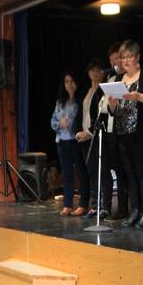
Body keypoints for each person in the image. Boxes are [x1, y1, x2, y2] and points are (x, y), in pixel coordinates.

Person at [108, 39, 143, 229]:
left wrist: (137, 96)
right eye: (123, 57)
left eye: (129, 56)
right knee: (130, 175)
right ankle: (135, 210)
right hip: (123, 134)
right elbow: (112, 111)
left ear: (138, 57)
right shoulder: (117, 79)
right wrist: (112, 104)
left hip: (141, 134)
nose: (126, 60)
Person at [76, 59, 113, 220]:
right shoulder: (87, 91)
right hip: (84, 136)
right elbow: (82, 113)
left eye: (98, 70)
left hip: (97, 136)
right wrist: (79, 131)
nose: (95, 73)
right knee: (91, 172)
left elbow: (102, 115)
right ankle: (95, 205)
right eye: (92, 70)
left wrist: (89, 132)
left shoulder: (103, 90)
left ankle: (105, 206)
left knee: (103, 171)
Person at [51, 71, 90, 216]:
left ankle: (83, 204)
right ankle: (67, 204)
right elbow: (53, 121)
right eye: (67, 81)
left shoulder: (81, 101)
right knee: (66, 174)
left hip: (76, 140)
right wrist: (59, 124)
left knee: (81, 172)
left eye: (72, 81)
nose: (69, 84)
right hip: (62, 141)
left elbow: (83, 119)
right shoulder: (61, 102)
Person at [103, 42, 129, 220]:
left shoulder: (129, 78)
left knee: (127, 170)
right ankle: (120, 208)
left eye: (117, 59)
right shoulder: (112, 79)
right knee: (117, 170)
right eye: (112, 60)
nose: (115, 63)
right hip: (112, 129)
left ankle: (129, 208)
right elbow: (106, 106)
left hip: (127, 129)